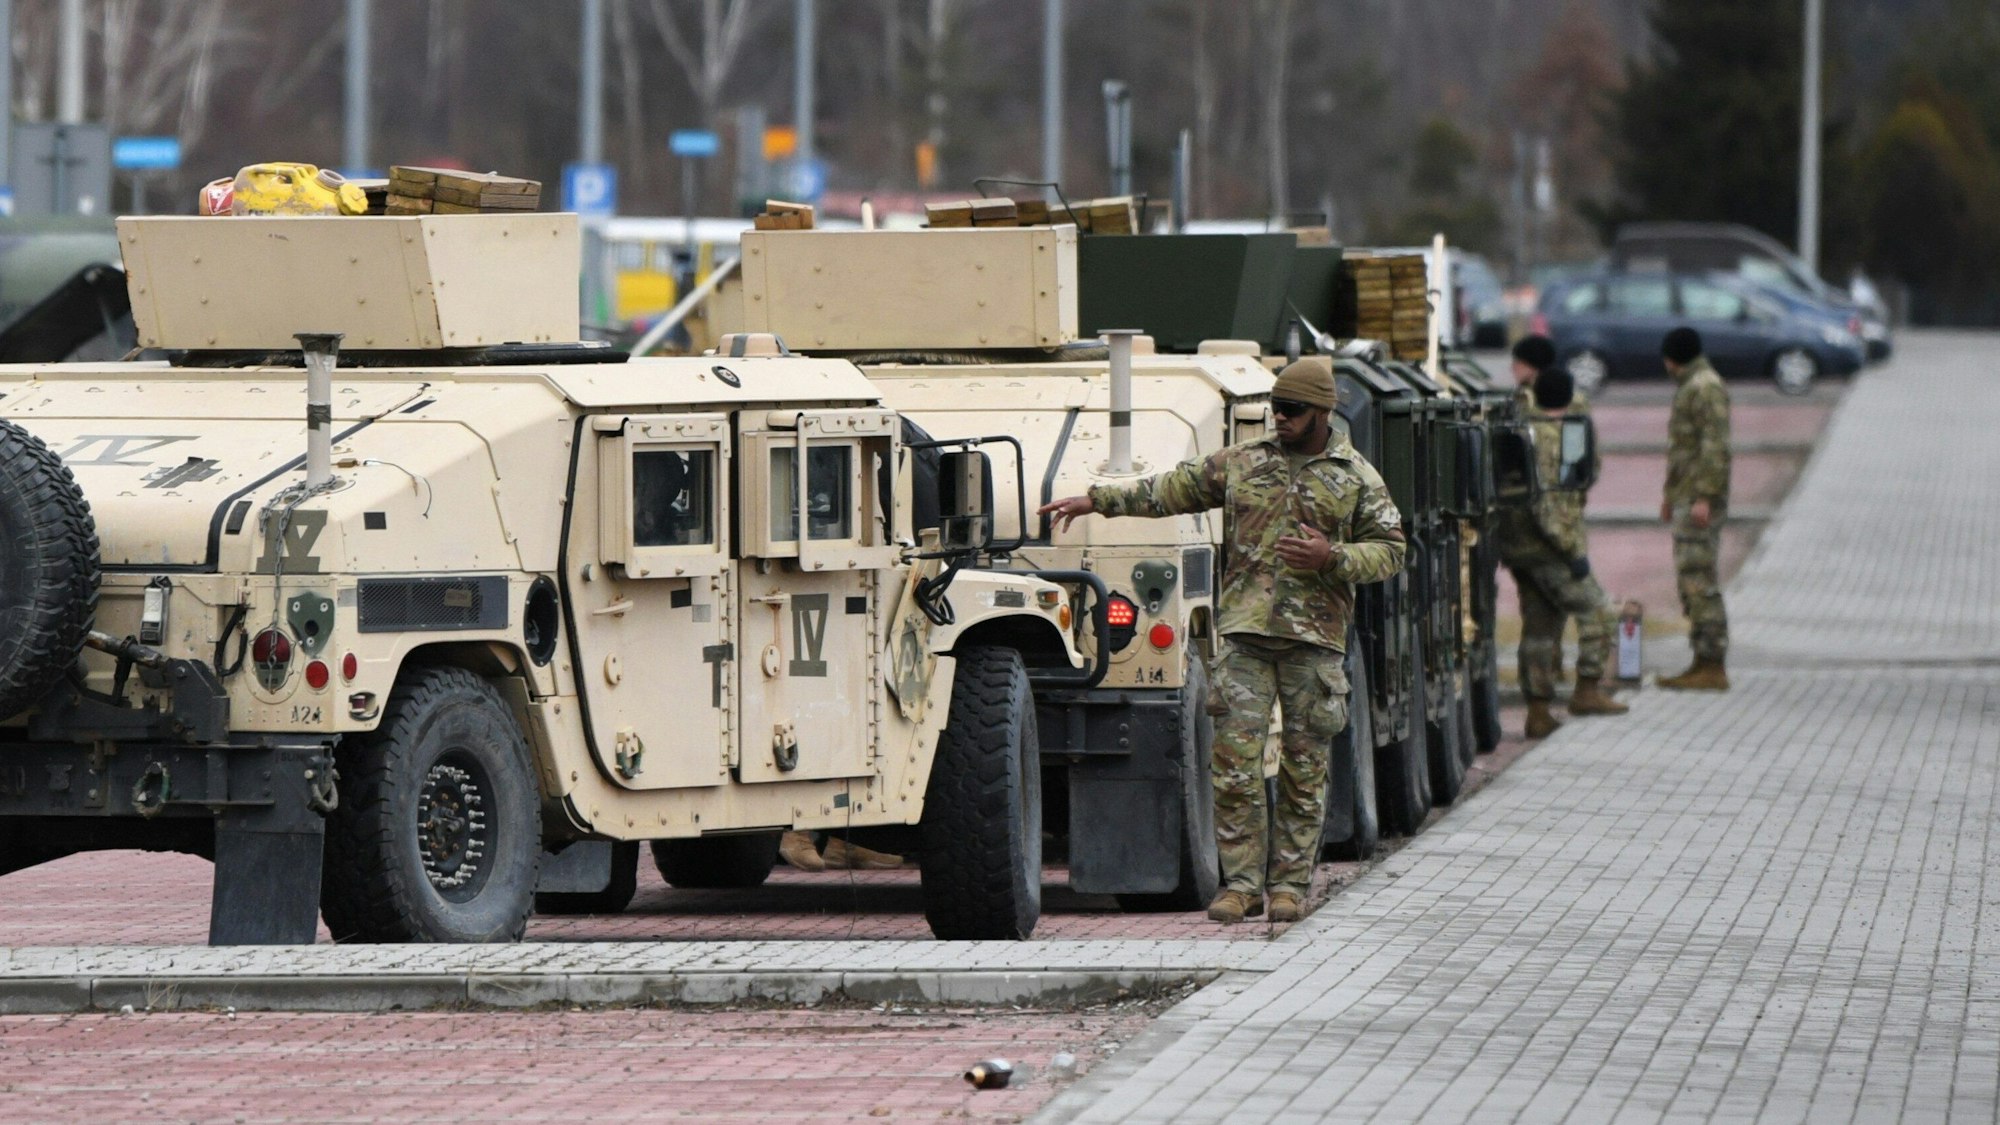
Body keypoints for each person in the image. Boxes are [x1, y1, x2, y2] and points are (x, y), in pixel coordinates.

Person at [1038, 357, 1406, 925]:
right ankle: (1240, 886)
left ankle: (1288, 886)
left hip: (1315, 642)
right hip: (1245, 637)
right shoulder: (1243, 462)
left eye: (1292, 411)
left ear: (1323, 413)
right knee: (1233, 764)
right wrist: (1096, 500)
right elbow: (1170, 489)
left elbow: (1391, 549)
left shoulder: (1355, 476)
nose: (1279, 418)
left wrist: (1332, 557)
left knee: (1304, 770)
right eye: (1276, 408)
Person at [1495, 365, 1629, 737]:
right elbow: (1549, 508)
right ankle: (1587, 690)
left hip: (1521, 549)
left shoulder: (1525, 429)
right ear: (1569, 398)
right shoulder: (1557, 438)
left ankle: (1538, 712)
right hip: (1551, 550)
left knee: (1540, 629)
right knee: (1599, 612)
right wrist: (1573, 554)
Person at [1657, 326, 1731, 691]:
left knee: (1700, 580)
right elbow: (1683, 450)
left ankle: (1712, 662)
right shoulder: (1691, 385)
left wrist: (1703, 497)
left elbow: (1714, 447)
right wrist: (1671, 495)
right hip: (1687, 496)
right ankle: (1701, 660)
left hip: (1699, 500)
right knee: (1691, 578)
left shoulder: (1704, 387)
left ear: (1673, 357)